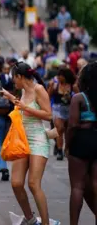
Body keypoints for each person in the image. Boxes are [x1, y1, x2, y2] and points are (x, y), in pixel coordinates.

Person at [1, 62, 52, 225]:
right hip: (22, 140)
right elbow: (21, 107)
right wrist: (11, 98)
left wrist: (25, 108)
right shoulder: (23, 91)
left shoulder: (39, 89)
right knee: (16, 183)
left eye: (13, 78)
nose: (13, 82)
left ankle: (45, 222)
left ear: (19, 77)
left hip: (38, 139)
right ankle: (30, 218)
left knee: (33, 184)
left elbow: (49, 115)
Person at [66, 61, 97, 225]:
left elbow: (72, 125)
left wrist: (66, 145)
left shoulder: (79, 98)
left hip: (81, 141)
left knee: (77, 187)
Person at [47, 67, 77, 160]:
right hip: (57, 109)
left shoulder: (73, 86)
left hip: (69, 109)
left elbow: (79, 96)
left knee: (68, 131)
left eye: (61, 76)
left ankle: (66, 149)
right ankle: (59, 150)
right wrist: (51, 87)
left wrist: (71, 97)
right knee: (59, 129)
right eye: (58, 76)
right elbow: (48, 95)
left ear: (66, 76)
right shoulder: (55, 85)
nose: (59, 77)